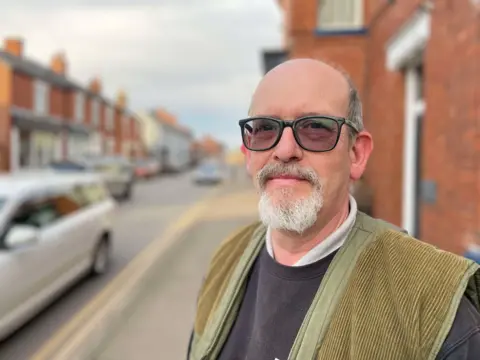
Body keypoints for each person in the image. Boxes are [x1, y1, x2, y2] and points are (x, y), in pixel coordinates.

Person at [186, 59, 480, 360]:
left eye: (315, 127)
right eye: (264, 129)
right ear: (248, 153)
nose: (285, 150)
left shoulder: (431, 300)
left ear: (356, 154)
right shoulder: (227, 259)